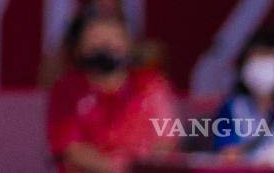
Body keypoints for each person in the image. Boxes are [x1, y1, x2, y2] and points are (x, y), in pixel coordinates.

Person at [45, 12, 176, 173]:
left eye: (113, 39)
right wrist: (116, 169)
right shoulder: (66, 89)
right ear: (79, 47)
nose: (105, 45)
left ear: (128, 44)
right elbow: (70, 149)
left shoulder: (151, 85)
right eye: (96, 39)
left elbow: (165, 140)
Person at [210, 29, 274, 163]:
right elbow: (227, 153)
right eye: (258, 57)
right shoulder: (233, 107)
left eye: (270, 57)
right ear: (244, 65)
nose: (264, 67)